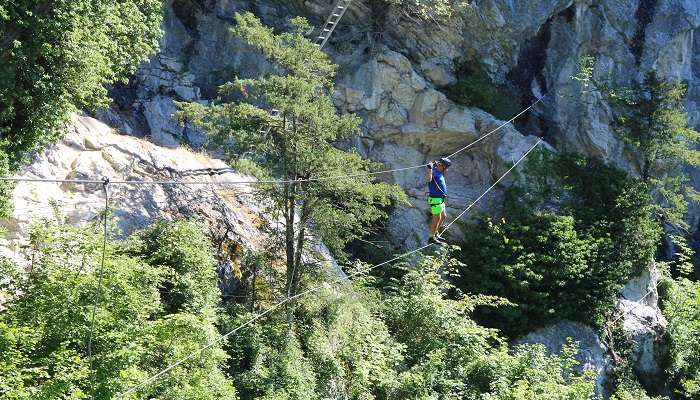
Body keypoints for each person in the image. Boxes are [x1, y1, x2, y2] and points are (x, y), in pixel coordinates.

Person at [426, 157, 451, 243]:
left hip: (441, 199)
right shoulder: (434, 172)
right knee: (437, 218)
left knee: (443, 216)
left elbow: (436, 162)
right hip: (435, 199)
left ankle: (436, 233)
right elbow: (428, 179)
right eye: (446, 167)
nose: (447, 169)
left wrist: (435, 163)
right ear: (442, 166)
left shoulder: (440, 171)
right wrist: (430, 168)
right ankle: (431, 237)